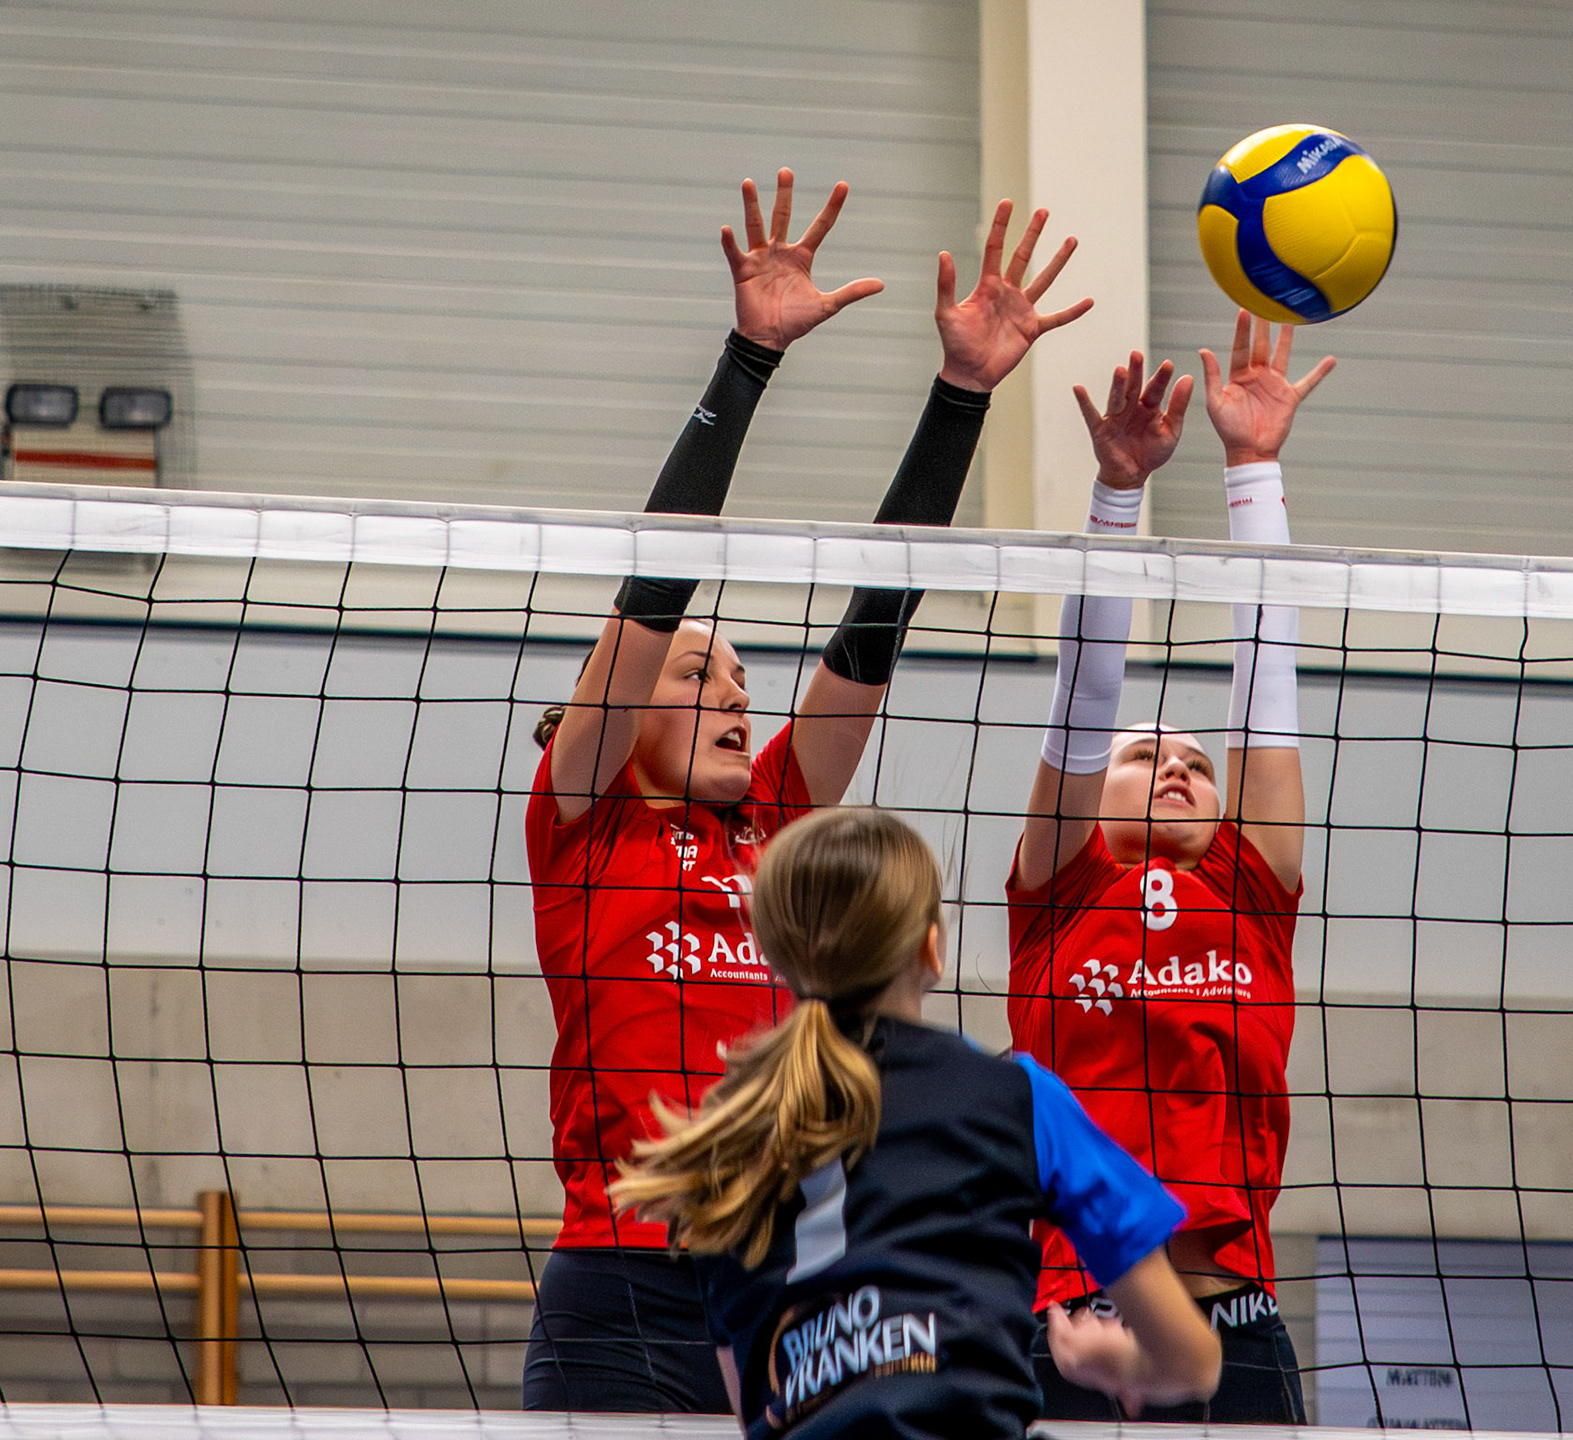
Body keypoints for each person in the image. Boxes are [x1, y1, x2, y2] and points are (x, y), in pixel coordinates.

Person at [523, 169, 1091, 1413]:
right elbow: (652, 588)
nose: (737, 697)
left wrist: (963, 394)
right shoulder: (583, 821)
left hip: (791, 1286)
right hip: (622, 1287)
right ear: (623, 706)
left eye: (743, 679)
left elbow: (874, 626)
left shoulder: (776, 817)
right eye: (700, 676)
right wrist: (749, 360)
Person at [610, 806, 1223, 1439]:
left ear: (773, 957)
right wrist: (1119, 1363)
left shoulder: (724, 1138)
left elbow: (754, 1412)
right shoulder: (1018, 1097)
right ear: (930, 947)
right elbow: (1194, 1362)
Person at [1006, 312, 1336, 1424]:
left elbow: (1267, 676)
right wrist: (1119, 494)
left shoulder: (1251, 887)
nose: (1181, 768)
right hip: (1075, 1325)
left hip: (1236, 1328)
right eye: (1146, 756)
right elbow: (1084, 691)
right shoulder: (1061, 889)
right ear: (1092, 792)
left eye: (1198, 762)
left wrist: (1254, 469)